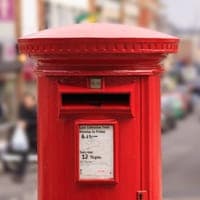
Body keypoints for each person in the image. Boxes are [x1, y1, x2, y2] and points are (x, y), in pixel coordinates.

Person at [13, 92, 37, 182]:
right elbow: (21, 119)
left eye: (28, 100)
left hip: (36, 138)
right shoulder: (23, 110)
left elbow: (38, 121)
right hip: (27, 138)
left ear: (33, 101)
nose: (27, 102)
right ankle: (19, 174)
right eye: (25, 100)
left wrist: (27, 123)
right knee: (23, 155)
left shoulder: (36, 110)